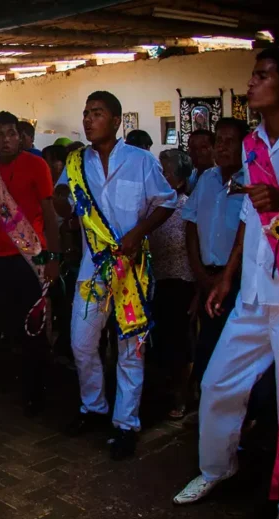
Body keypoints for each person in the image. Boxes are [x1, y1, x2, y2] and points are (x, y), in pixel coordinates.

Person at [173, 48, 279, 519]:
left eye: (261, 76)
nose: (251, 83)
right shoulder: (253, 146)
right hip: (252, 294)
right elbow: (252, 215)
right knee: (216, 384)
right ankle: (216, 468)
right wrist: (227, 278)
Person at [54, 91, 176, 459]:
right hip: (93, 269)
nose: (89, 120)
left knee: (130, 349)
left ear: (116, 120)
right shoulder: (76, 161)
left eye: (97, 113)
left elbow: (166, 201)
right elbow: (64, 202)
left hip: (132, 271)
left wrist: (138, 234)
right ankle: (94, 407)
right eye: (86, 113)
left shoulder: (140, 161)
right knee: (81, 341)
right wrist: (61, 197)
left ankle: (126, 424)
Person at [0, 110, 61, 417]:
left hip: (30, 256)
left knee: (33, 329)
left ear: (20, 136)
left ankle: (36, 394)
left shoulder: (37, 165)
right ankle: (3, 383)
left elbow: (49, 215)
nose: (6, 140)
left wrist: (53, 258)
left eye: (11, 133)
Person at [183, 118, 248, 391]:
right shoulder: (206, 180)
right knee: (207, 341)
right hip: (206, 276)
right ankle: (203, 401)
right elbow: (191, 226)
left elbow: (248, 237)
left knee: (234, 347)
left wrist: (226, 276)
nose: (221, 148)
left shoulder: (251, 182)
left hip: (237, 279)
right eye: (218, 141)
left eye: (229, 141)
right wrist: (199, 272)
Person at [151, 148, 195, 420]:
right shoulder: (155, 206)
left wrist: (198, 292)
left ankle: (182, 395)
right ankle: (167, 391)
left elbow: (194, 248)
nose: (159, 177)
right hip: (159, 281)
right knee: (164, 341)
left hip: (182, 283)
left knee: (181, 343)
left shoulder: (187, 206)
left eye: (164, 173)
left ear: (179, 179)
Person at [186, 129, 215, 194]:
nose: (197, 152)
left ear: (214, 149)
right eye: (193, 148)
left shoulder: (221, 179)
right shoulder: (189, 177)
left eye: (203, 147)